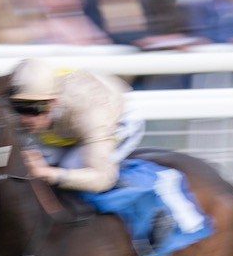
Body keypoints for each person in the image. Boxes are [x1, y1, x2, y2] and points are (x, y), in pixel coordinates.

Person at [10, 57, 143, 194]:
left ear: (53, 102)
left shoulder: (91, 114)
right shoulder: (36, 97)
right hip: (68, 122)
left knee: (70, 168)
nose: (23, 119)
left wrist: (47, 173)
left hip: (116, 118)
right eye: (18, 107)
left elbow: (103, 179)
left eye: (33, 109)